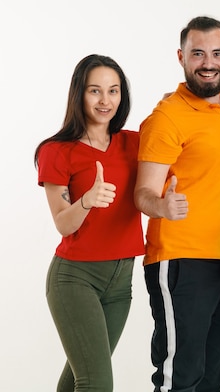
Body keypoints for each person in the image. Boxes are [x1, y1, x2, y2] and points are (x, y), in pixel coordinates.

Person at [134, 16, 220, 392]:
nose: (208, 62)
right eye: (198, 53)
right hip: (181, 261)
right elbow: (143, 193)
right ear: (181, 57)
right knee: (179, 379)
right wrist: (162, 207)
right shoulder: (167, 117)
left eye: (217, 53)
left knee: (212, 380)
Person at [35, 54, 144, 392]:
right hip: (75, 278)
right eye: (95, 91)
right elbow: (63, 224)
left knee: (77, 381)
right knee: (96, 383)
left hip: (120, 281)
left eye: (113, 91)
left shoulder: (134, 142)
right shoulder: (57, 151)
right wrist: (86, 200)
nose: (105, 100)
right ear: (79, 94)